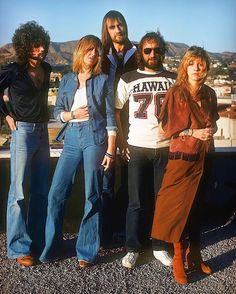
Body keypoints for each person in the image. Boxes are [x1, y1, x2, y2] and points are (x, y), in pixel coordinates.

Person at [39, 35, 116, 268]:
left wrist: (111, 149)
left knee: (92, 193)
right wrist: (72, 115)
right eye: (89, 49)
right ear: (80, 51)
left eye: (96, 50)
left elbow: (111, 117)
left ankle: (86, 251)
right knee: (56, 193)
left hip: (95, 137)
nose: (93, 53)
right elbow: (57, 112)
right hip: (71, 137)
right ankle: (52, 247)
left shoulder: (104, 80)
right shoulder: (67, 79)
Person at [151, 46, 219, 284]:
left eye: (201, 64)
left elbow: (216, 124)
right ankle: (179, 259)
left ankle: (195, 255)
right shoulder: (176, 93)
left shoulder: (210, 94)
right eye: (192, 63)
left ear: (206, 68)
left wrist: (211, 130)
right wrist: (193, 132)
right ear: (185, 67)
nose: (197, 68)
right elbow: (164, 129)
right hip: (182, 160)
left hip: (205, 158)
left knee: (197, 210)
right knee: (179, 210)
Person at [115, 32, 176, 268]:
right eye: (147, 50)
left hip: (165, 146)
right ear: (140, 52)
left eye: (157, 49)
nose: (153, 54)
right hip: (137, 146)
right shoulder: (127, 78)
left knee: (163, 200)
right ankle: (133, 247)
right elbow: (116, 111)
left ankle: (160, 245)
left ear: (163, 51)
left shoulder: (173, 78)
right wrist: (121, 142)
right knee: (136, 200)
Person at [0, 21, 51, 266]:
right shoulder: (14, 70)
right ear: (25, 46)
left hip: (43, 133)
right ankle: (18, 247)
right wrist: (6, 114)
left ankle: (38, 242)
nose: (41, 49)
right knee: (18, 191)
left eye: (43, 45)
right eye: (36, 45)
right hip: (22, 133)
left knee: (41, 191)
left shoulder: (48, 68)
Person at [101, 10, 138, 247]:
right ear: (107, 30)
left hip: (135, 124)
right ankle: (104, 236)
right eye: (112, 27)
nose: (118, 30)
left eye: (120, 25)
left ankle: (130, 234)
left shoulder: (139, 54)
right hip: (107, 125)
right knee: (106, 181)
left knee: (132, 180)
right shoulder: (101, 56)